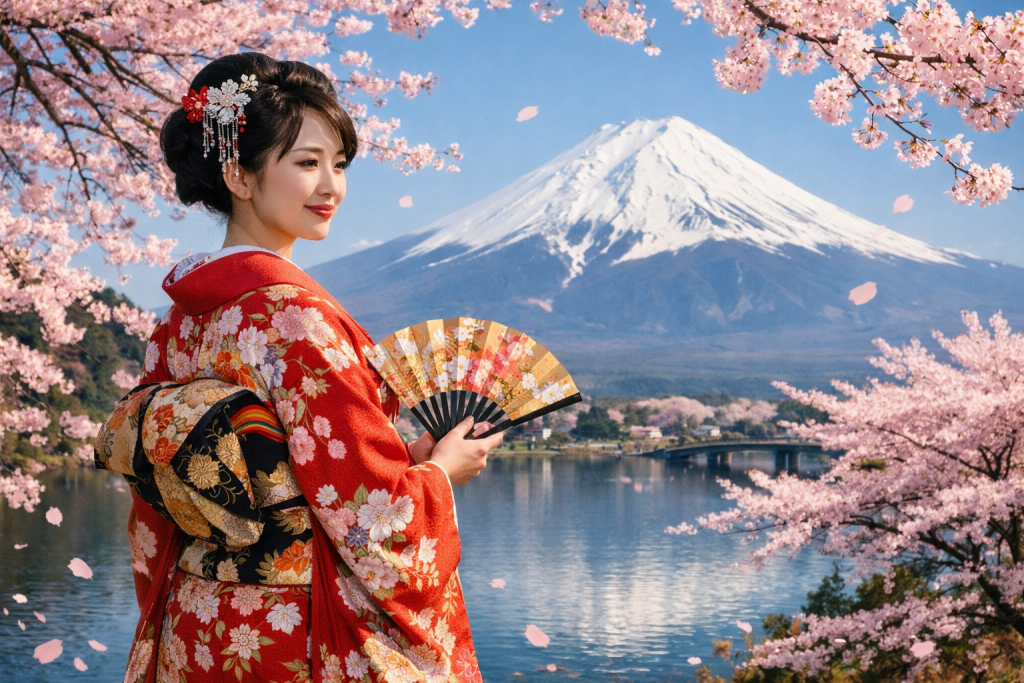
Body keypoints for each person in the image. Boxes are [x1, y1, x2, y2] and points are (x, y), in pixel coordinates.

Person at [109, 51, 503, 683]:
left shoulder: (178, 319)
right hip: (294, 630)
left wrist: (410, 450)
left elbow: (154, 511)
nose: (331, 187)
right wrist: (441, 474)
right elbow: (370, 513)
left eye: (338, 165)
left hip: (198, 620)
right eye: (306, 163)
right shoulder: (296, 319)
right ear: (238, 175)